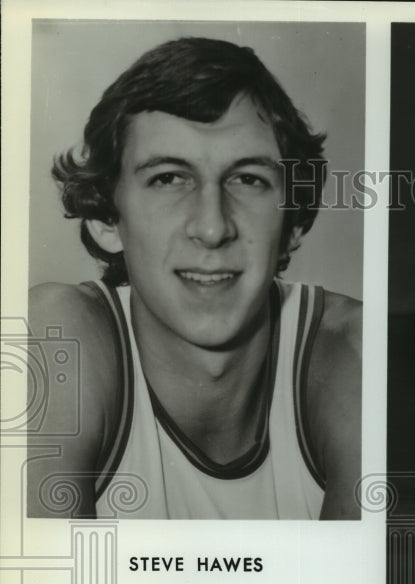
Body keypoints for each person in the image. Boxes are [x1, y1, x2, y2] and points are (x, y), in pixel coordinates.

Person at [27, 37, 362, 520]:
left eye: (248, 179)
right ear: (106, 216)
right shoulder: (55, 339)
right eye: (168, 178)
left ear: (291, 224)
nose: (211, 227)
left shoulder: (352, 354)